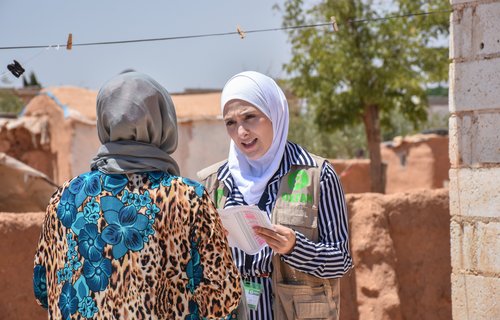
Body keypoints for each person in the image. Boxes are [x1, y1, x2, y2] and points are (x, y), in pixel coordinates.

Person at [33, 72, 242, 319]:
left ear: (105, 121)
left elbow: (42, 289)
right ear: (163, 121)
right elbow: (223, 295)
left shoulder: (64, 198)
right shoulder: (189, 199)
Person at [197, 71, 353, 320]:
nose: (241, 132)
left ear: (274, 114)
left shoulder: (317, 175)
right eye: (230, 122)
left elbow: (341, 261)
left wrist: (294, 247)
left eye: (250, 117)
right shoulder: (213, 183)